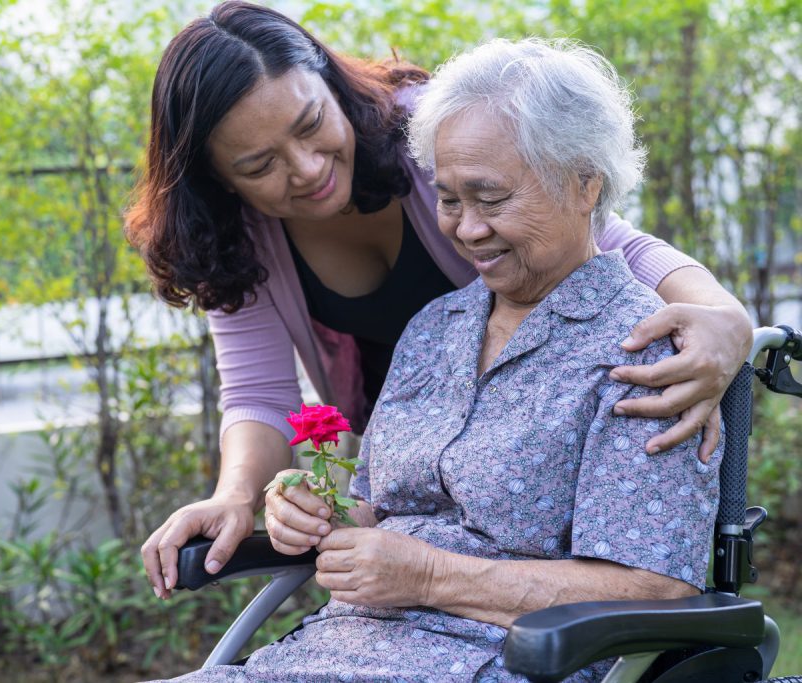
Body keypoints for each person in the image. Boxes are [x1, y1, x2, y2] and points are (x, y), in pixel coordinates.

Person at [126, 1, 750, 599]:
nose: (307, 168)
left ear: (329, 84)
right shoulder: (238, 236)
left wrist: (724, 320)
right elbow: (259, 395)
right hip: (408, 434)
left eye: (311, 125)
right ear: (219, 180)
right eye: (260, 164)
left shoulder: (434, 131)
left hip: (529, 421)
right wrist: (237, 495)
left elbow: (592, 235)